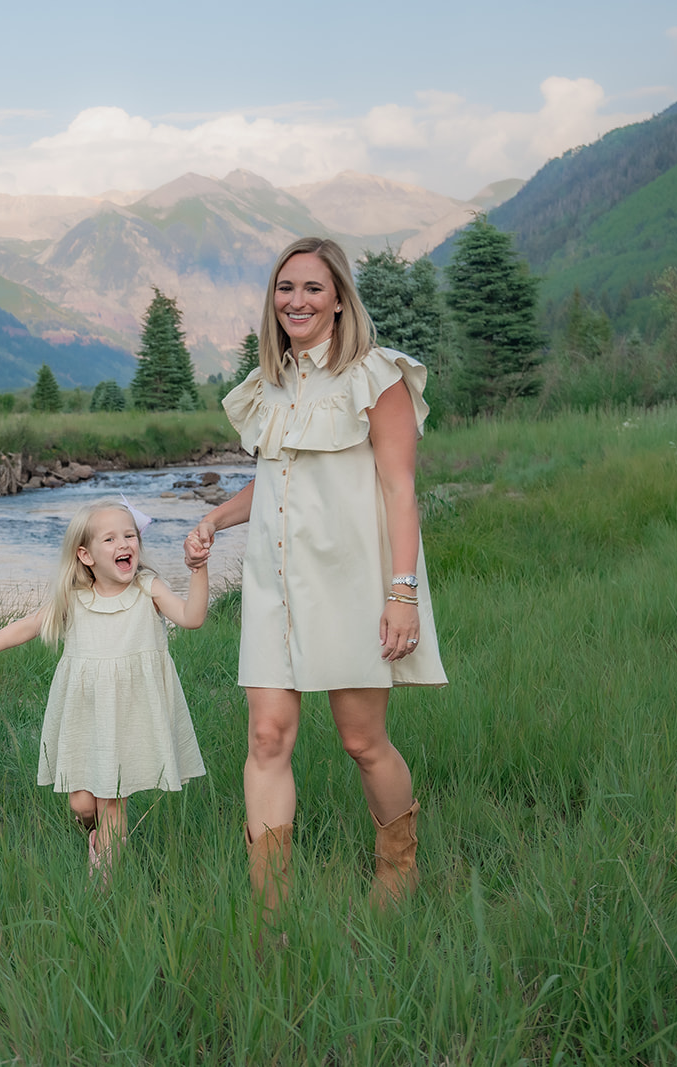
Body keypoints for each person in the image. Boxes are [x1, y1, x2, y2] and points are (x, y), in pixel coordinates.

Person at [185, 236, 447, 919]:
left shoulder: (375, 375)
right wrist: (219, 516)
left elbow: (398, 489)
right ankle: (268, 908)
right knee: (266, 736)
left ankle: (399, 869)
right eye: (284, 288)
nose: (295, 300)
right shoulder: (269, 382)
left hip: (352, 583)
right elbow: (278, 478)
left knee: (362, 739)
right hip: (273, 586)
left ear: (338, 302)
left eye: (311, 289)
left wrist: (401, 594)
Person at [0, 499, 209, 879]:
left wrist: (198, 570)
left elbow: (192, 617)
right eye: (110, 539)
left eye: (129, 535)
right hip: (87, 716)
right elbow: (26, 626)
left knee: (111, 803)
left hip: (130, 713)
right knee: (82, 804)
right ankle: (98, 838)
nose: (124, 544)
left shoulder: (147, 589)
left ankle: (100, 888)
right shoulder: (74, 597)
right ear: (85, 555)